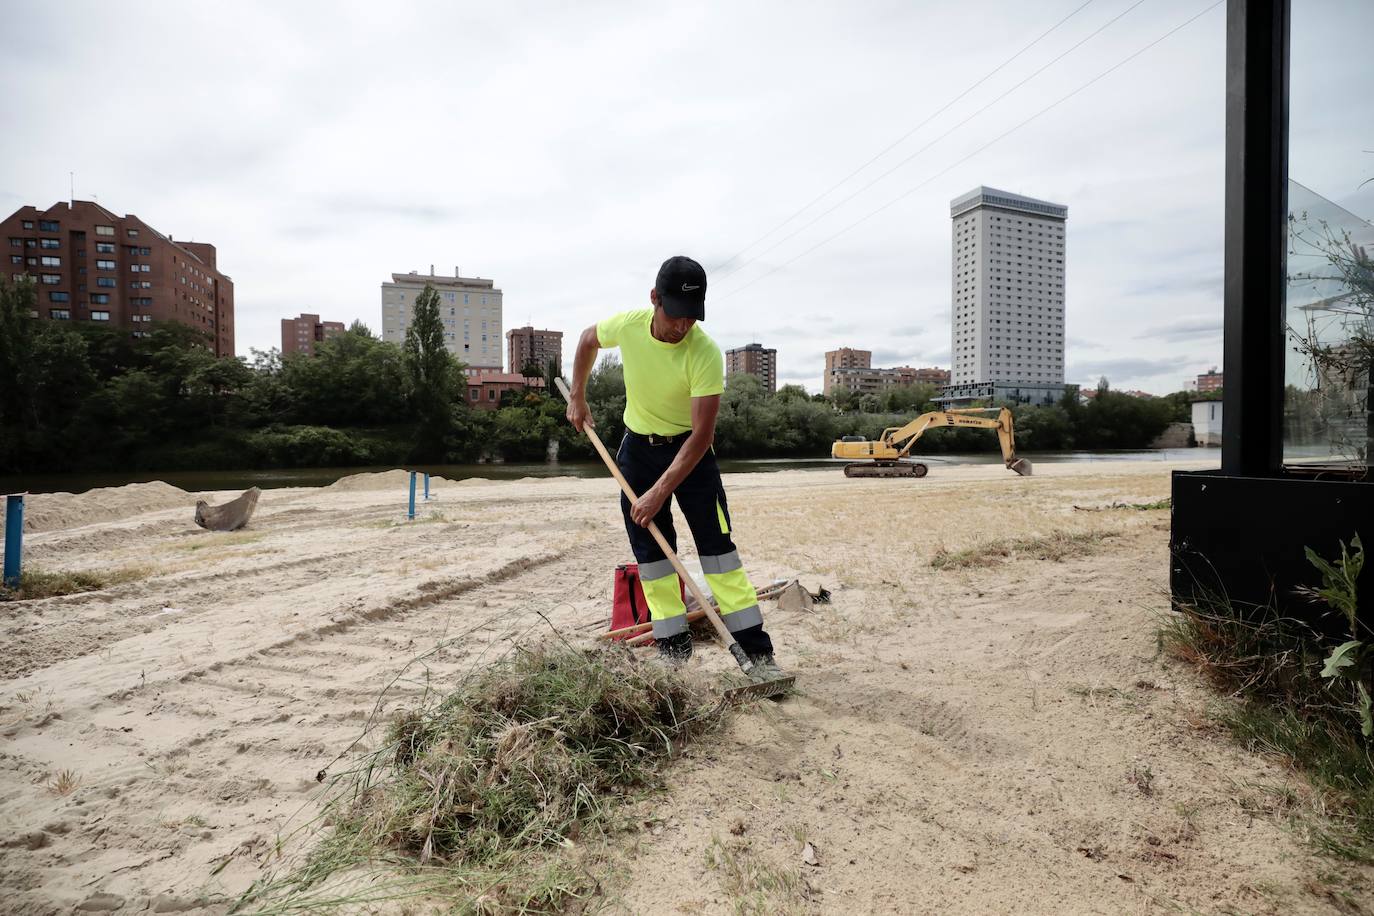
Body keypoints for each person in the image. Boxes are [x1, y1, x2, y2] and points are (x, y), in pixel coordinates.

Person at [565, 255, 783, 681]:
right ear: (654, 299)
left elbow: (701, 437)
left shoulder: (704, 352)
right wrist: (578, 393)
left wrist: (659, 492)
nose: (683, 326)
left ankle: (759, 656)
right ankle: (673, 651)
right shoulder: (628, 325)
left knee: (719, 554)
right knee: (653, 558)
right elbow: (588, 339)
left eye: (692, 317)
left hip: (691, 453)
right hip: (637, 452)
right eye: (676, 315)